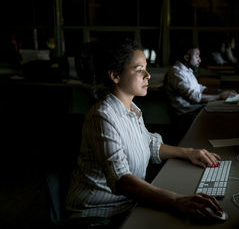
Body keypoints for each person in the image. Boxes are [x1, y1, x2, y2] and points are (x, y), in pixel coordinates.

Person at [65, 38, 224, 226]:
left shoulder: (131, 108)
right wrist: (175, 199)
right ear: (115, 75)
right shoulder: (102, 117)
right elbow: (121, 180)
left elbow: (149, 143)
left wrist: (189, 152)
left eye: (146, 68)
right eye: (139, 70)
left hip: (127, 204)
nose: (147, 75)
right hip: (97, 214)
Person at [164, 46, 237, 138]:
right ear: (186, 57)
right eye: (197, 56)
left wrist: (219, 91)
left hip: (193, 111)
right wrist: (220, 96)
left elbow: (200, 88)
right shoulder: (176, 72)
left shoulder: (187, 71)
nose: (200, 60)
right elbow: (193, 97)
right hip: (185, 116)